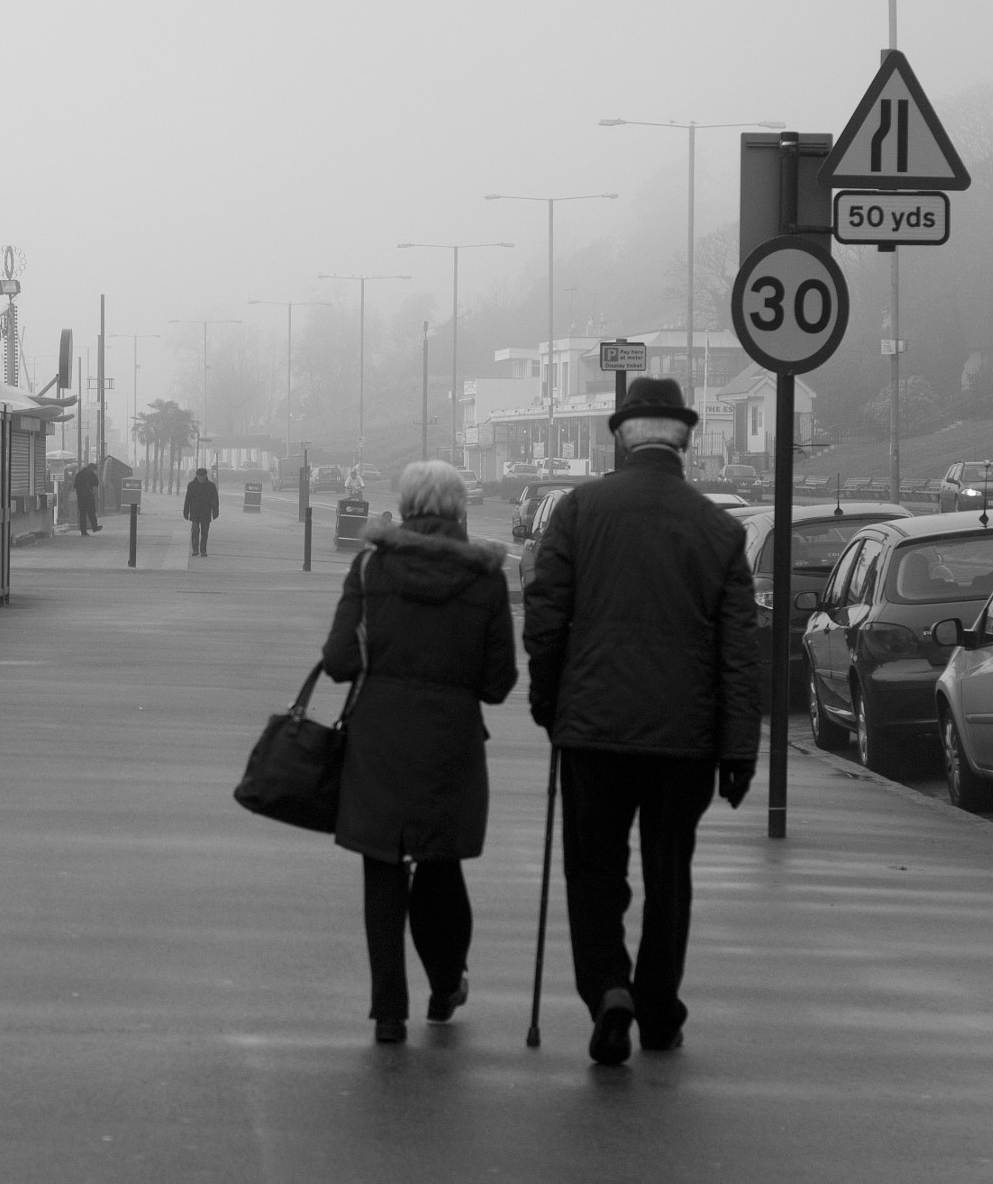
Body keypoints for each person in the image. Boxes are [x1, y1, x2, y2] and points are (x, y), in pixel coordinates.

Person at [521, 377, 761, 1066]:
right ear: (685, 439)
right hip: (684, 739)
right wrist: (738, 750)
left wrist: (549, 699)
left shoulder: (577, 512)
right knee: (669, 872)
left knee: (594, 867)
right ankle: (658, 1010)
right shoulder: (719, 530)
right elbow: (739, 654)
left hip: (593, 726)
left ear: (620, 436)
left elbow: (544, 617)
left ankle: (607, 989)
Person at [322, 459, 517, 1044]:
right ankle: (444, 983)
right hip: (450, 745)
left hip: (378, 741)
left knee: (382, 867)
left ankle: (388, 1011)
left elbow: (337, 662)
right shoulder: (485, 580)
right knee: (440, 864)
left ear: (405, 508)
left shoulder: (370, 567)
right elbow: (498, 682)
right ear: (459, 511)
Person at [184, 467, 220, 556]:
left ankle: (203, 550)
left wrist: (215, 512)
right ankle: (195, 549)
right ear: (197, 476)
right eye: (200, 476)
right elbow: (187, 499)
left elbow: (215, 499)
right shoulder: (191, 485)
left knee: (205, 533)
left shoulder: (211, 486)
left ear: (205, 476)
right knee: (195, 531)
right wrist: (186, 511)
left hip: (206, 512)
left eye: (203, 476)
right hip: (195, 512)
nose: (201, 478)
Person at [72, 461, 101, 535]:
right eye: (95, 470)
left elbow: (75, 485)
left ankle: (83, 531)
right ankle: (94, 527)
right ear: (92, 468)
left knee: (82, 514)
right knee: (91, 512)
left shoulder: (79, 473)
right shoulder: (91, 474)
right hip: (89, 496)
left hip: (81, 497)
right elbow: (96, 483)